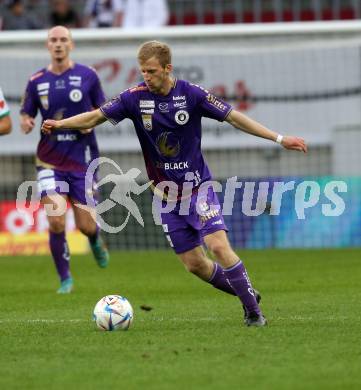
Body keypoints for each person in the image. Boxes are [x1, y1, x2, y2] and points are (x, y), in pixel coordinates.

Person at [42, 40, 307, 325]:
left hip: (199, 189)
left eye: (152, 71)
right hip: (165, 197)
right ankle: (247, 293)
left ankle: (254, 314)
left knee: (217, 246)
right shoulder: (134, 98)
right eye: (143, 71)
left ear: (168, 68)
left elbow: (234, 118)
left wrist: (280, 139)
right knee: (194, 264)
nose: (146, 76)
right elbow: (95, 117)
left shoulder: (191, 95)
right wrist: (61, 124)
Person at [20, 26, 109, 294]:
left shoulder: (88, 76)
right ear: (47, 45)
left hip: (82, 160)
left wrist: (91, 125)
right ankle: (65, 278)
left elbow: (103, 110)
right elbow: (26, 113)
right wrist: (26, 121)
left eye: (63, 40)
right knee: (56, 219)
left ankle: (94, 239)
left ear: (71, 44)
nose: (58, 44)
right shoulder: (36, 81)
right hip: (49, 161)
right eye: (53, 40)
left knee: (85, 225)